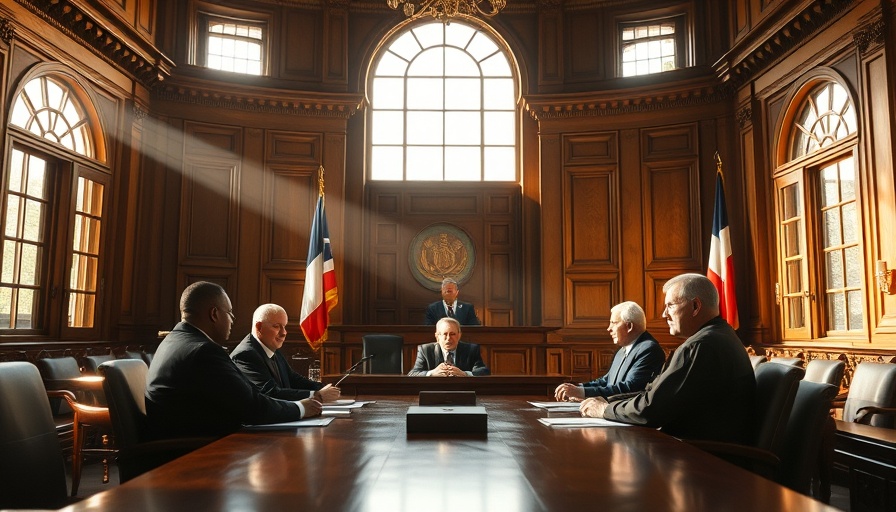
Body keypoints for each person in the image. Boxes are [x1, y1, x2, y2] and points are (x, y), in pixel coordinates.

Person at [580, 273, 755, 444]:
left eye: (670, 305)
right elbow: (652, 394)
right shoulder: (718, 336)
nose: (664, 314)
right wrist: (608, 401)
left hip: (703, 459)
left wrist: (605, 409)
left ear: (695, 306)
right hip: (692, 450)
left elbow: (650, 410)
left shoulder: (700, 346)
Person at [145, 282, 322, 440]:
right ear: (214, 314)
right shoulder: (203, 351)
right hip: (195, 451)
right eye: (229, 313)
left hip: (190, 440)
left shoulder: (175, 340)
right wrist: (301, 408)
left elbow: (249, 395)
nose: (232, 320)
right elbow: (253, 408)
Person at [554, 301, 665, 402]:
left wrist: (581, 392)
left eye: (614, 323)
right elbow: (606, 381)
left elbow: (630, 388)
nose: (609, 328)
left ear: (629, 326)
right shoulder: (624, 349)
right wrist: (579, 388)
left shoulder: (649, 349)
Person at [230, 303, 341, 402]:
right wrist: (317, 395)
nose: (284, 333)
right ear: (259, 327)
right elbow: (270, 393)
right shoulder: (245, 355)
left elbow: (293, 379)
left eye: (284, 327)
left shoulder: (271, 347)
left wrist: (323, 388)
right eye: (277, 326)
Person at [408, 317, 490, 376]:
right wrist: (432, 373)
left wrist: (465, 374)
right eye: (445, 334)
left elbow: (484, 371)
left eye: (452, 334)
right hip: (435, 391)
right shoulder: (425, 350)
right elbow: (413, 374)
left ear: (459, 335)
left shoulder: (471, 349)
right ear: (437, 336)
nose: (448, 338)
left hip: (462, 391)